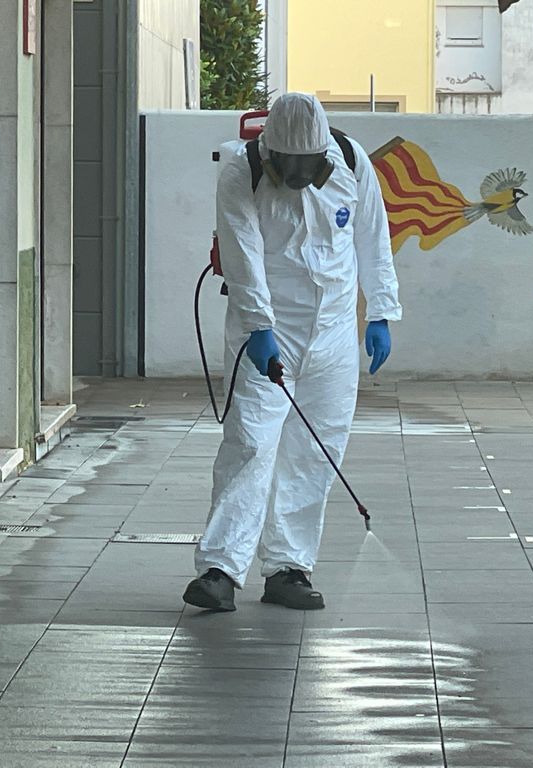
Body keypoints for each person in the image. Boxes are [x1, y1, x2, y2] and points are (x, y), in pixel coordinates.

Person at [182, 93, 402, 612]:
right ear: (271, 149)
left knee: (315, 451)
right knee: (252, 444)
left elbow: (373, 237)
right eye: (291, 164)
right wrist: (260, 329)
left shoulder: (351, 160)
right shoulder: (242, 171)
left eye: (310, 163)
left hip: (332, 337)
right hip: (268, 330)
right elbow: (242, 253)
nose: (301, 173)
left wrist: (380, 313)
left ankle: (289, 568)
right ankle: (220, 568)